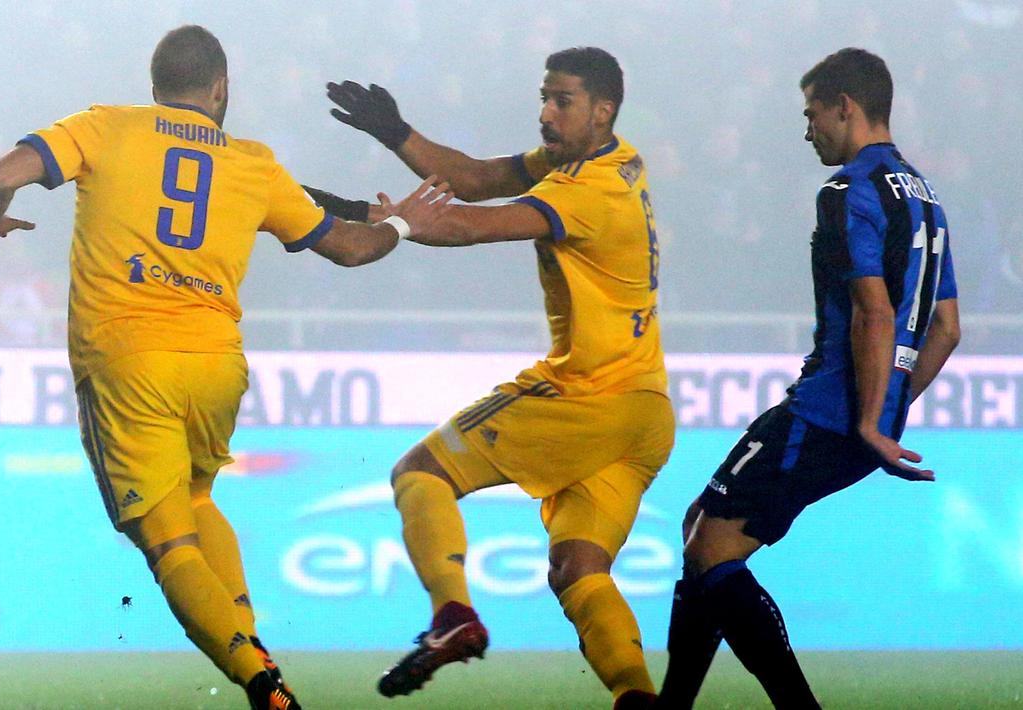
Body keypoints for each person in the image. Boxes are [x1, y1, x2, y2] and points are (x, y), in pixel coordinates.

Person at [0, 25, 452, 710]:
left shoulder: (106, 127)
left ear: (154, 85)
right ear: (221, 88)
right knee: (198, 500)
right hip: (217, 367)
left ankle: (261, 683)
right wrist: (402, 224)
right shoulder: (251, 162)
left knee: (166, 540)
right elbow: (347, 247)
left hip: (129, 361)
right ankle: (249, 644)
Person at [316, 47, 674, 709]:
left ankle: (452, 615)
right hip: (645, 411)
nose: (544, 112)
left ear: (602, 109)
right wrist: (396, 133)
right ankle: (637, 699)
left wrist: (335, 214)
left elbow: (464, 226)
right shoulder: (610, 159)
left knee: (419, 473)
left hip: (585, 395)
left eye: (560, 100)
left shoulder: (585, 190)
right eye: (543, 96)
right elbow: (475, 179)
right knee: (577, 571)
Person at [656, 48, 961, 709]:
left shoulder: (847, 191)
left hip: (825, 410)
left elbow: (872, 313)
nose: (806, 130)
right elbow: (945, 329)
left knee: (709, 548)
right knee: (701, 532)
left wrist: (862, 418)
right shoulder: (925, 198)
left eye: (811, 113)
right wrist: (885, 420)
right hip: (861, 420)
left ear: (844, 108)